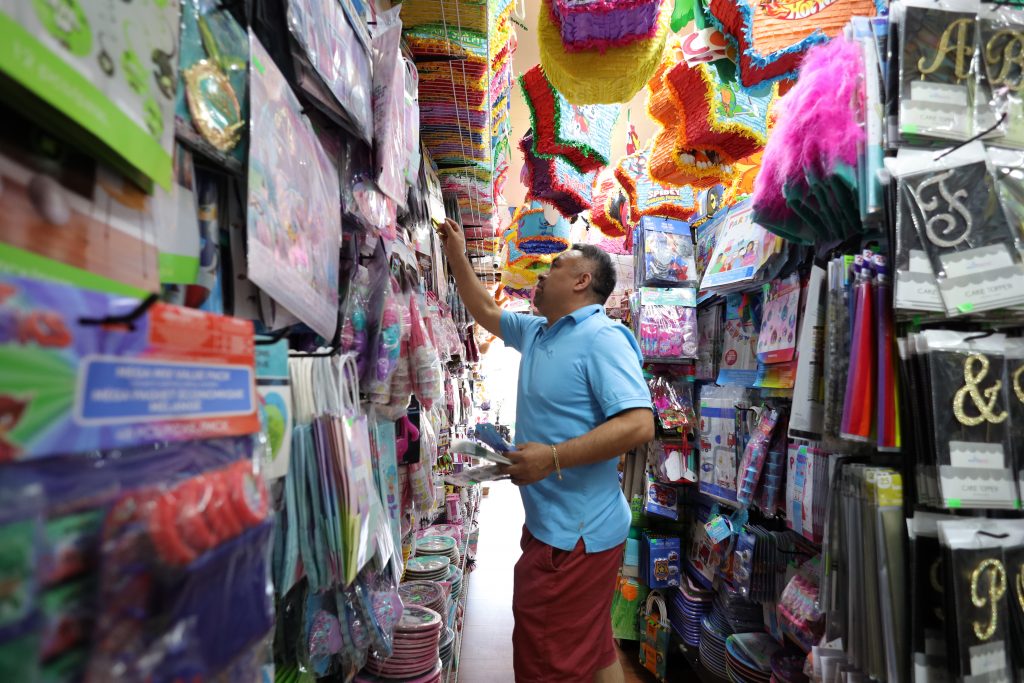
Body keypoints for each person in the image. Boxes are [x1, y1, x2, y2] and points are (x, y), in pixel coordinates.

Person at [437, 218, 654, 683]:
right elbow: (482, 309)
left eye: (555, 265)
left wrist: (551, 458)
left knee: (547, 662)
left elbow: (640, 423)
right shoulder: (538, 331)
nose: (541, 272)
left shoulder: (603, 337)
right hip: (559, 527)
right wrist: (456, 252)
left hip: (575, 537)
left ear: (582, 281)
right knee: (593, 647)